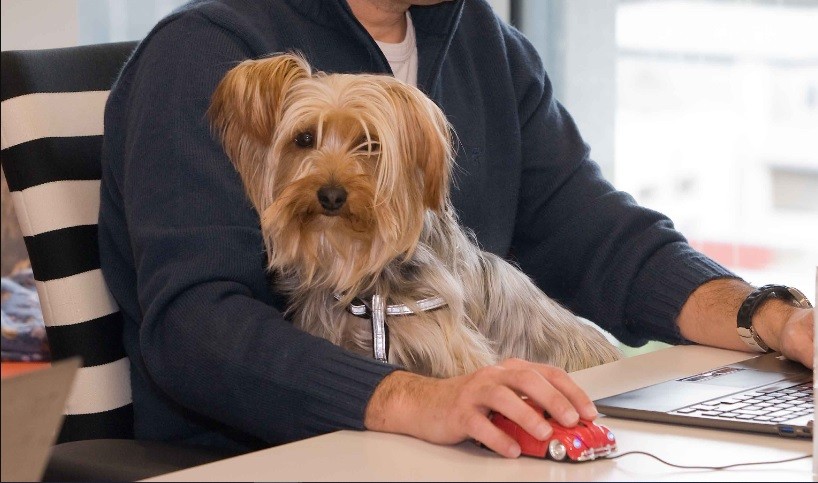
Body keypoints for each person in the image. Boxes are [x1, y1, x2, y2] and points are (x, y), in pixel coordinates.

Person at [98, 0, 815, 458]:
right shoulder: (201, 54)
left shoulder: (484, 43)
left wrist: (770, 317)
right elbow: (193, 327)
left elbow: (601, 237)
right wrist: (420, 397)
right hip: (257, 454)